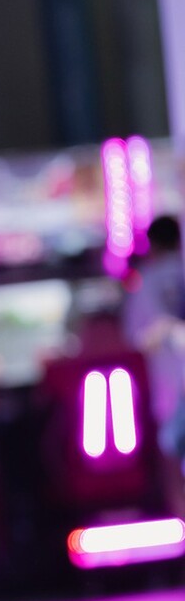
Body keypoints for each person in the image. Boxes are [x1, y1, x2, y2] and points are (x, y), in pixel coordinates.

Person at [124, 213, 185, 519]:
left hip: (171, 389)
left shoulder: (146, 282)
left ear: (153, 244)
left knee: (173, 463)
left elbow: (136, 339)